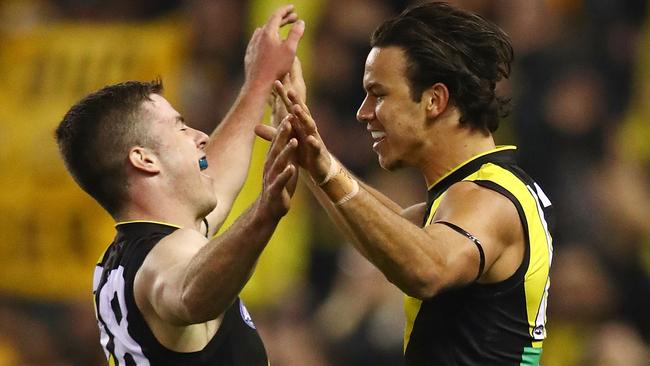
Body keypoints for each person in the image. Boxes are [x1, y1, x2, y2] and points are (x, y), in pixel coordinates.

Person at [260, 2, 553, 365]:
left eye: (379, 94)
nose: (363, 112)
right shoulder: (475, 194)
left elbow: (427, 270)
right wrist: (310, 158)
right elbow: (391, 236)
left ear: (434, 100)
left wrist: (324, 168)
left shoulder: (489, 200)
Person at [54, 5, 303, 365]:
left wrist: (260, 85)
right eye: (180, 127)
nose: (200, 136)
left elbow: (217, 183)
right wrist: (264, 214)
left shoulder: (125, 257)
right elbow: (188, 292)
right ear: (144, 159)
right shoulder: (166, 257)